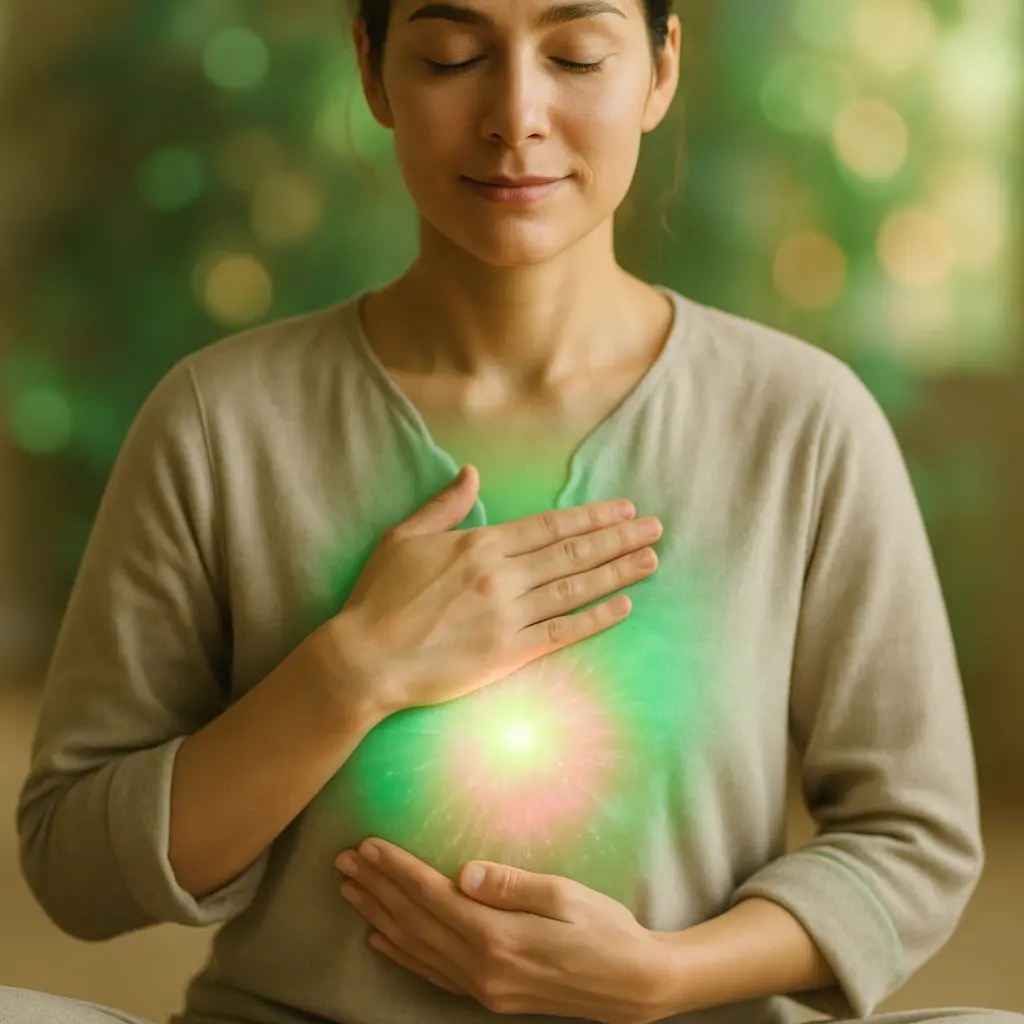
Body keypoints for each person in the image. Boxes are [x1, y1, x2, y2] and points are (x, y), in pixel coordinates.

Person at [3, 2, 1020, 1023]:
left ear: (661, 71)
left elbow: (912, 839)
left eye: (576, 56)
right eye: (452, 57)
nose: (516, 115)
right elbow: (75, 866)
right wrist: (348, 674)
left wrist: (667, 975)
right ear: (371, 68)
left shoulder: (801, 421)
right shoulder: (218, 420)